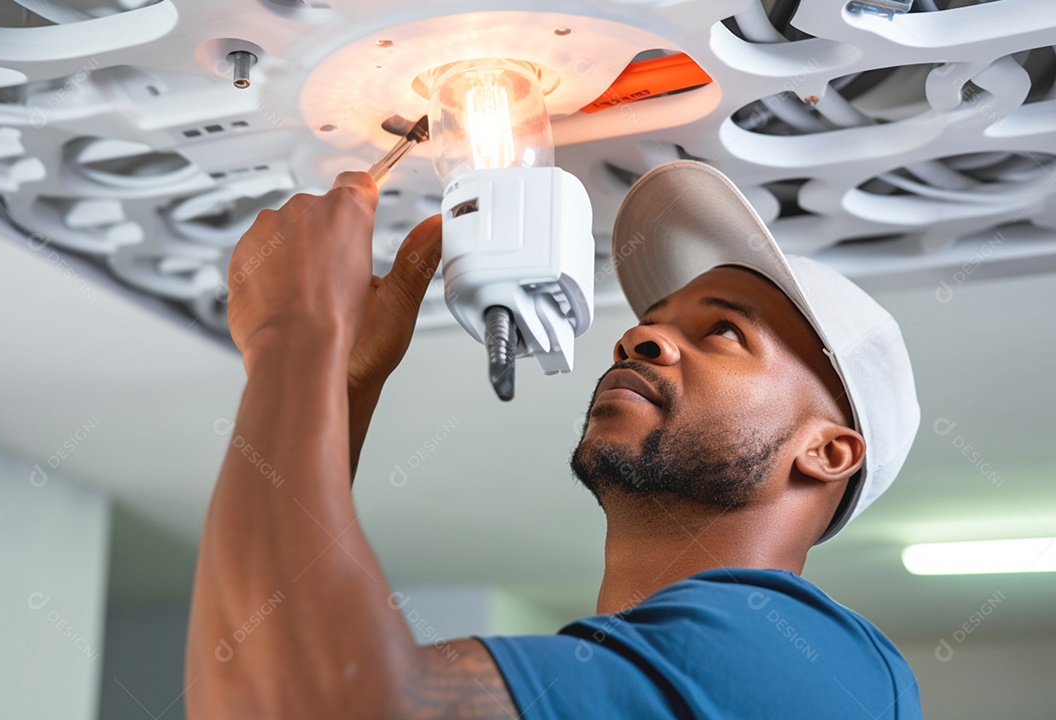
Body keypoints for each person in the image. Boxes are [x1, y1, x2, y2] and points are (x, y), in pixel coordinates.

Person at [185, 160, 923, 719]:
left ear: (827, 452)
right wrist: (338, 388)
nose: (639, 338)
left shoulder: (807, 656)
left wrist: (295, 335)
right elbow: (261, 682)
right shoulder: (642, 677)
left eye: (724, 331)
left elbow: (308, 702)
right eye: (652, 321)